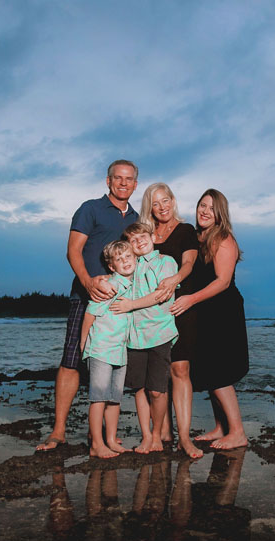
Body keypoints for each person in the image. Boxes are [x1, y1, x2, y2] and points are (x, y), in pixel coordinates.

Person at [36, 160, 139, 451]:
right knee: (73, 359)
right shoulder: (90, 208)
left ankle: (105, 435)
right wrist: (88, 282)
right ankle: (58, 432)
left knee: (111, 364)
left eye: (129, 179)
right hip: (86, 298)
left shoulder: (136, 218)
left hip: (121, 305)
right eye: (117, 178)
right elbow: (73, 250)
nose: (123, 183)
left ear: (135, 184)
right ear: (108, 181)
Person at [170, 189, 248, 450]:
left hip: (223, 311)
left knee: (219, 372)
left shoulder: (223, 238)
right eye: (202, 205)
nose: (204, 211)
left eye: (211, 208)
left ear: (220, 215)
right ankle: (220, 427)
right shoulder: (196, 236)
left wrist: (190, 299)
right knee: (209, 368)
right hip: (204, 310)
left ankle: (237, 432)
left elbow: (223, 282)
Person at [138, 182, 203, 458]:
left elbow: (189, 264)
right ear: (149, 208)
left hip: (179, 307)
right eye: (156, 203)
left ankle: (184, 438)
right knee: (155, 374)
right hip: (149, 315)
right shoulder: (146, 234)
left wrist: (175, 279)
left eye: (166, 201)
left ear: (173, 200)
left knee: (180, 371)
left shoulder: (187, 231)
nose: (162, 207)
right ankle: (161, 431)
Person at [110, 222, 178, 453]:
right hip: (134, 336)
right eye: (133, 240)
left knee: (157, 390)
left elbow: (161, 295)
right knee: (139, 388)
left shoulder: (166, 262)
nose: (139, 242)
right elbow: (113, 279)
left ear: (153, 237)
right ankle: (147, 436)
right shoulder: (132, 265)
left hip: (159, 333)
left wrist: (130, 305)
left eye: (142, 236)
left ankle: (158, 434)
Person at [80, 241, 136, 458]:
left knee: (115, 399)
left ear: (135, 258)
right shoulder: (109, 285)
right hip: (101, 348)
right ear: (111, 266)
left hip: (119, 350)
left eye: (128, 257)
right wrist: (83, 343)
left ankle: (111, 439)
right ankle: (96, 444)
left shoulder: (133, 285)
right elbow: (90, 313)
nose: (125, 262)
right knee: (99, 398)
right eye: (119, 260)